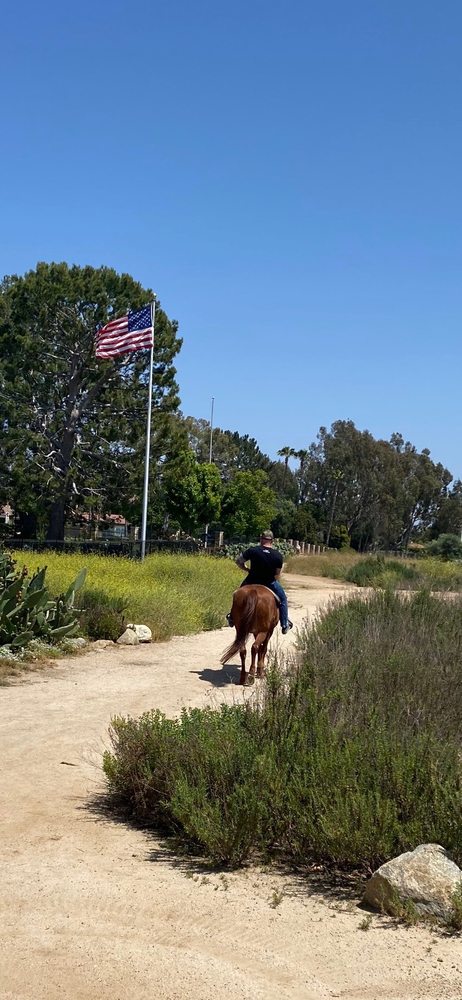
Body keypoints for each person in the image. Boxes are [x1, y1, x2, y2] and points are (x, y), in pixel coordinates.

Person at [226, 530, 293, 634]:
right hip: (269, 582)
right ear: (272, 541)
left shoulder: (253, 550)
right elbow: (277, 573)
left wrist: (246, 569)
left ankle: (232, 617)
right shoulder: (277, 555)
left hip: (251, 580)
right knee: (283, 599)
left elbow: (239, 561)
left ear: (261, 539)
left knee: (238, 594)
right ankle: (284, 624)